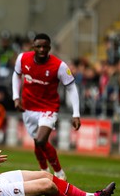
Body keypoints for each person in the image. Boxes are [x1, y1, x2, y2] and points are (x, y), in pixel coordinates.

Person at [12, 33, 81, 180]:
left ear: (50, 48)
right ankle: (44, 171)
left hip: (48, 109)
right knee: (38, 142)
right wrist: (16, 97)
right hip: (28, 109)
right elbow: (16, 75)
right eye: (39, 46)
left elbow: (71, 87)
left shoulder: (59, 66)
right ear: (33, 47)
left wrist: (76, 113)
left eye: (45, 47)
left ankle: (59, 173)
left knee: (41, 140)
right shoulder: (23, 59)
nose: (42, 49)